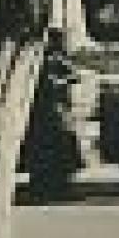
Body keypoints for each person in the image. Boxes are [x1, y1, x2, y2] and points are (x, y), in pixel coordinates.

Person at [22, 28, 85, 203]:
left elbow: (74, 75)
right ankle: (46, 188)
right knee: (50, 150)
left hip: (54, 111)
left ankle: (57, 186)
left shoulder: (57, 60)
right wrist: (65, 79)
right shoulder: (45, 61)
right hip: (48, 113)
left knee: (57, 151)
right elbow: (50, 84)